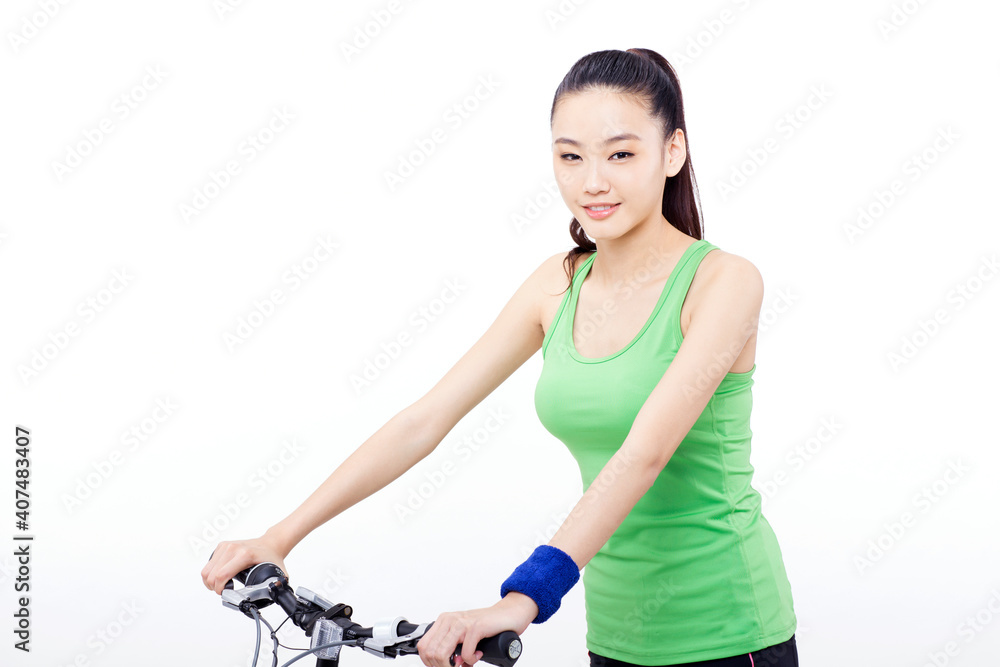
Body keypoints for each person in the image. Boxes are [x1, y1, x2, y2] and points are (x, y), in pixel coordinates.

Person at [201, 47, 799, 667]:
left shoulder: (724, 282)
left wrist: (524, 597)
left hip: (731, 629)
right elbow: (424, 421)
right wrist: (280, 536)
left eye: (621, 153)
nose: (592, 181)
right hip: (620, 632)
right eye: (570, 156)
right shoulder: (557, 285)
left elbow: (643, 455)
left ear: (672, 152)